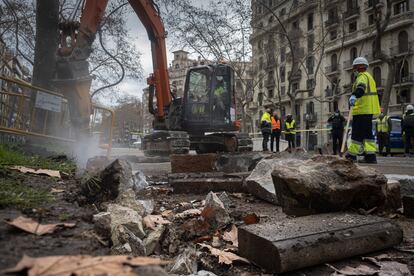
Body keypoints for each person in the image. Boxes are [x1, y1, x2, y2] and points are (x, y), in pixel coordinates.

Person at [346, 57, 381, 163]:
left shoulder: (362, 77)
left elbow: (361, 89)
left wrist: (354, 95)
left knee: (357, 134)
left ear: (358, 67)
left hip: (361, 110)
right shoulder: (369, 76)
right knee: (367, 135)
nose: (354, 70)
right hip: (368, 110)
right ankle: (370, 157)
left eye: (354, 68)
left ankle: (351, 156)